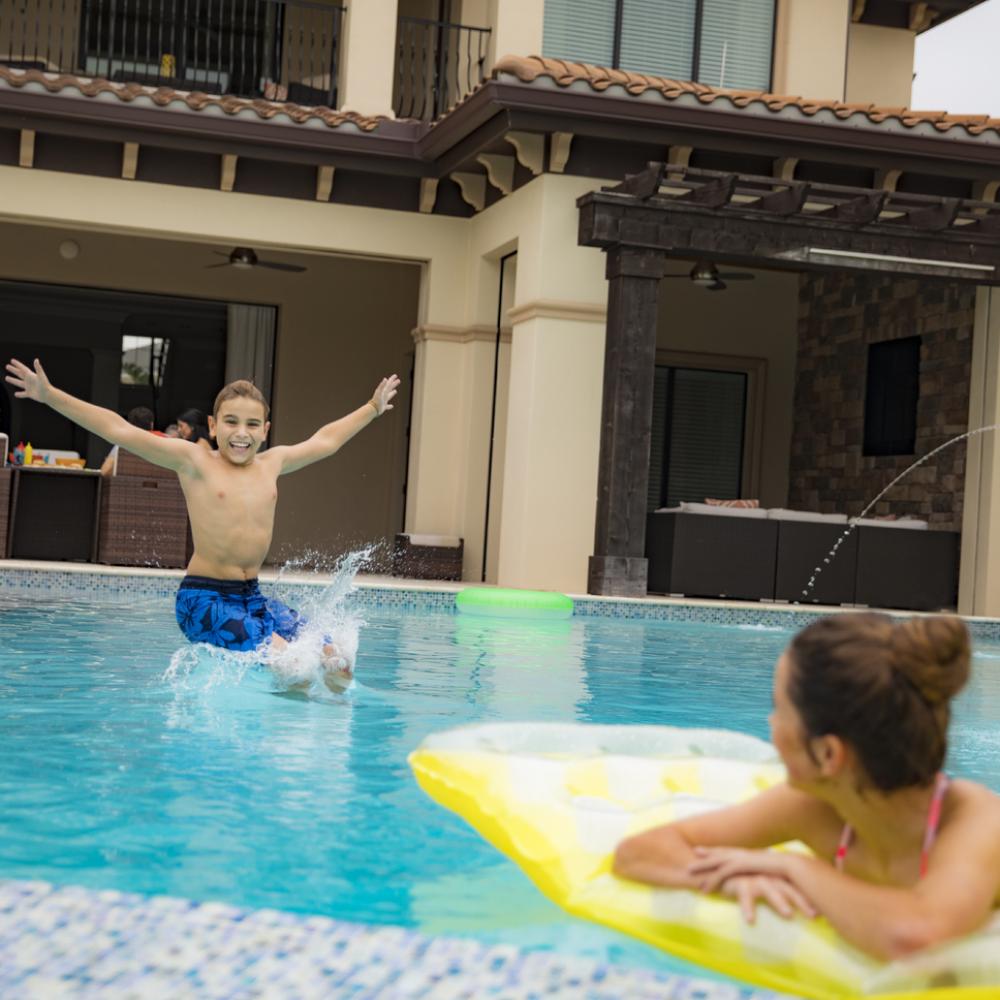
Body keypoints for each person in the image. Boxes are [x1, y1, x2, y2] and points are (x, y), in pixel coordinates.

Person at [613, 613, 1000, 961]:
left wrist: (796, 868)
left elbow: (916, 938)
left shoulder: (976, 821)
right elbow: (640, 852)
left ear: (828, 754)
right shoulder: (814, 807)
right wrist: (732, 878)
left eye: (780, 710)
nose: (770, 724)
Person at [6, 357, 400, 693]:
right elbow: (119, 430)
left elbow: (326, 441)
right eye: (231, 422)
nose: (241, 433)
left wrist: (371, 407)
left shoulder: (273, 463)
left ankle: (330, 746)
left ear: (265, 429)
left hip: (253, 598)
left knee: (338, 664)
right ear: (213, 426)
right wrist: (50, 396)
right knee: (294, 668)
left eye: (251, 424)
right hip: (203, 600)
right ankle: (279, 751)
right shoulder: (194, 462)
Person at [99, 405, 165, 476]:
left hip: (128, 485)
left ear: (129, 424)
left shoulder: (123, 444)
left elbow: (105, 471)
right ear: (152, 424)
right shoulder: (164, 443)